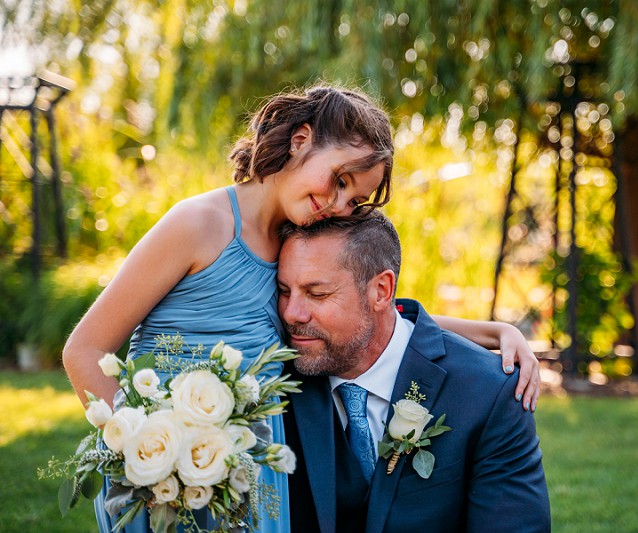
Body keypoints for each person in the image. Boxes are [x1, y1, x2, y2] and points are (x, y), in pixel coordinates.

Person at [62, 84, 541, 532]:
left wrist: (489, 331)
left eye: (353, 199)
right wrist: (149, 458)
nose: (336, 204)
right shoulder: (200, 224)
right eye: (339, 180)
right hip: (174, 479)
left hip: (254, 473)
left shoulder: (292, 241)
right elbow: (85, 350)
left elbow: (361, 312)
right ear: (300, 140)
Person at [278, 212, 551, 533]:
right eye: (284, 291)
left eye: (317, 294)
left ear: (381, 290)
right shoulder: (270, 379)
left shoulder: (489, 393)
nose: (292, 313)